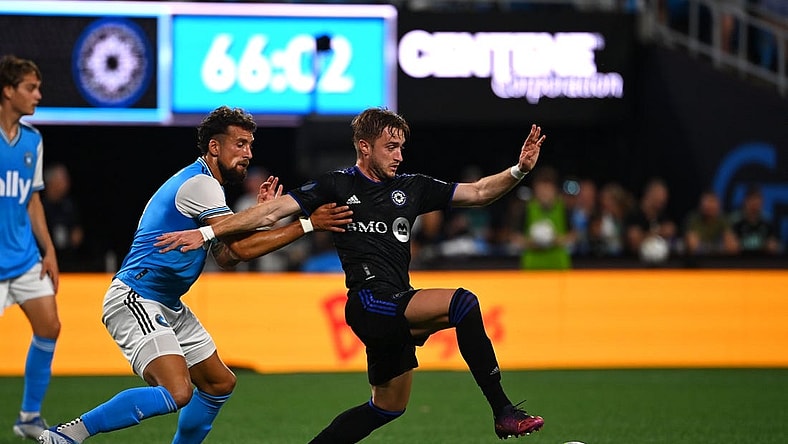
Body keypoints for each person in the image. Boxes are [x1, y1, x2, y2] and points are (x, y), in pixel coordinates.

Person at [156, 107, 546, 442]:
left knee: (387, 407)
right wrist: (207, 231)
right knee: (463, 302)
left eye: (401, 148)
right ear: (364, 146)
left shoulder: (413, 188)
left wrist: (518, 170)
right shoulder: (336, 185)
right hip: (368, 304)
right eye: (390, 147)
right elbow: (271, 213)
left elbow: (478, 193)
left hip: (396, 303)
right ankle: (503, 411)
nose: (398, 156)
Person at [38, 106, 352, 444]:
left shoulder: (207, 186)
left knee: (219, 383)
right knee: (177, 391)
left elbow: (228, 255)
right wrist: (307, 223)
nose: (248, 154)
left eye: (250, 145)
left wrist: (261, 218)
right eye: (240, 144)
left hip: (166, 303)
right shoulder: (200, 184)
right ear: (214, 148)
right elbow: (242, 250)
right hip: (136, 297)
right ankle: (69, 434)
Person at [0, 54, 61, 441]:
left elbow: (33, 199)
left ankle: (28, 416)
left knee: (50, 326)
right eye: (30, 88)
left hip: (23, 258)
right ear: (7, 91)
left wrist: (49, 250)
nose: (38, 95)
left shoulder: (32, 140)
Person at [519, 166, 574, 270]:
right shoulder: (527, 209)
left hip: (558, 266)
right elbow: (515, 236)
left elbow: (574, 234)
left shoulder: (564, 208)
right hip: (532, 267)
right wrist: (531, 243)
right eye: (541, 188)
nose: (544, 192)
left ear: (554, 189)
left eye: (548, 188)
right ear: (535, 189)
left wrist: (557, 240)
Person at [41, 163, 85, 272]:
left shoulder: (69, 206)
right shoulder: (41, 207)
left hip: (69, 262)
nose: (67, 183)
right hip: (45, 262)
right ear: (51, 182)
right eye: (63, 179)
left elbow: (77, 230)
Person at [683, 189, 739, 256]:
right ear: (700, 205)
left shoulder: (723, 220)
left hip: (719, 261)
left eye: (711, 201)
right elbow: (692, 246)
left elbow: (732, 247)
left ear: (718, 205)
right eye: (705, 202)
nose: (708, 205)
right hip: (698, 261)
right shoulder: (693, 219)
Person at [729, 185, 782, 256]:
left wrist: (772, 246)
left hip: (763, 261)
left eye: (757, 200)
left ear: (762, 202)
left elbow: (774, 245)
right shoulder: (735, 221)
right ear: (745, 201)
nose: (754, 203)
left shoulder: (768, 222)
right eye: (752, 199)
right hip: (740, 261)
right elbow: (731, 247)